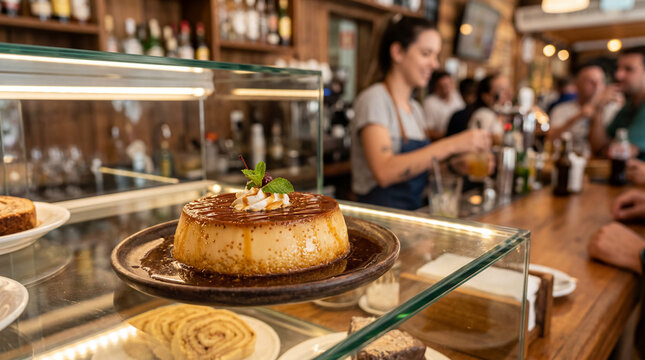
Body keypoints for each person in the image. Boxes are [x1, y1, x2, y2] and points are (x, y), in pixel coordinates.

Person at [350, 15, 491, 210]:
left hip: (410, 219)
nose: (435, 64)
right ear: (398, 52)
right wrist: (453, 144)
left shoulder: (415, 108)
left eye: (436, 56)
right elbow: (384, 171)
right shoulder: (374, 99)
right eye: (426, 53)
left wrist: (453, 166)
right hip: (378, 224)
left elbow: (416, 170)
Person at [549, 63, 621, 153]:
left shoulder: (613, 109)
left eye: (601, 81)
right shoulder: (561, 109)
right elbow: (550, 138)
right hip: (567, 159)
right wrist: (579, 116)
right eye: (591, 82)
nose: (597, 86)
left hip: (599, 163)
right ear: (577, 84)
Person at [590, 46, 645, 160]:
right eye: (618, 68)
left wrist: (608, 149)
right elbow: (598, 147)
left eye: (628, 69)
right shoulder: (629, 106)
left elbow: (619, 153)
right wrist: (599, 109)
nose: (618, 75)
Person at [423, 71, 465, 140]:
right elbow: (428, 131)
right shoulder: (430, 103)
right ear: (436, 87)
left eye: (449, 84)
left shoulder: (457, 96)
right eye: (443, 86)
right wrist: (448, 134)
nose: (447, 89)